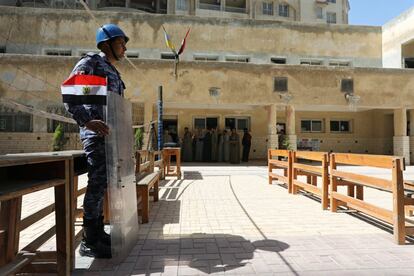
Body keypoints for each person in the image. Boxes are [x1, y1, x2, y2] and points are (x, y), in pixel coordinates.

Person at [64, 23, 129, 258]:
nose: (124, 48)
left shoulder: (112, 71)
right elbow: (71, 95)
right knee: (96, 184)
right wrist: (87, 121)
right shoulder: (91, 62)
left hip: (110, 138)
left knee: (102, 185)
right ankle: (88, 240)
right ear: (107, 43)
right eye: (121, 43)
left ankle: (98, 231)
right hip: (95, 135)